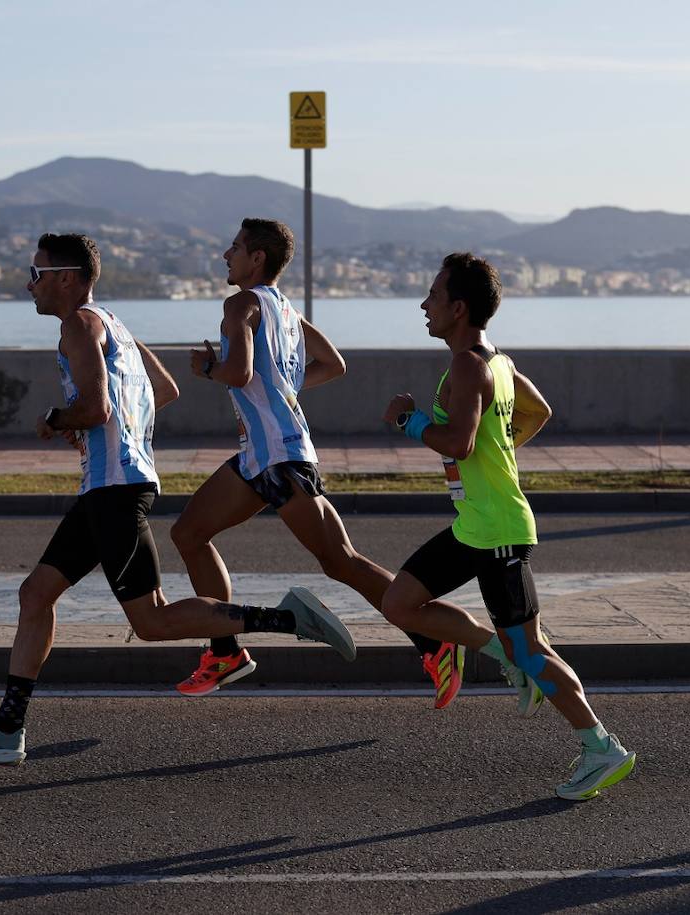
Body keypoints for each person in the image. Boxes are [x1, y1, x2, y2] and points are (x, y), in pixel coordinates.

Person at [0, 232, 355, 765]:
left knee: (152, 622)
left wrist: (57, 419)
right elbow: (163, 391)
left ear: (66, 278)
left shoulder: (79, 325)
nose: (30, 283)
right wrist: (104, 421)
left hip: (115, 489)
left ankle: (288, 621)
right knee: (36, 593)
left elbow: (95, 410)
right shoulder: (115, 326)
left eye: (37, 273)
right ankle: (7, 727)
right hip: (109, 486)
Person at [170, 218, 522, 708]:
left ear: (257, 259)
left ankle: (437, 641)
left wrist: (207, 368)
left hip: (280, 458)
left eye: (234, 248)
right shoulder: (288, 312)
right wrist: (280, 389)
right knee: (188, 533)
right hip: (260, 456)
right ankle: (225, 651)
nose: (225, 256)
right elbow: (334, 364)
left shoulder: (240, 304)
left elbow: (238, 372)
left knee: (343, 562)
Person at [380, 252, 636, 801]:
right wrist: (500, 454)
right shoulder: (496, 362)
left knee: (533, 650)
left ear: (459, 307)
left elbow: (459, 443)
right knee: (399, 603)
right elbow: (538, 411)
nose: (424, 305)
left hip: (497, 532)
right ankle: (500, 656)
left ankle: (600, 745)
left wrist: (410, 421)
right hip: (476, 524)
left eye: (432, 295)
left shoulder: (472, 367)